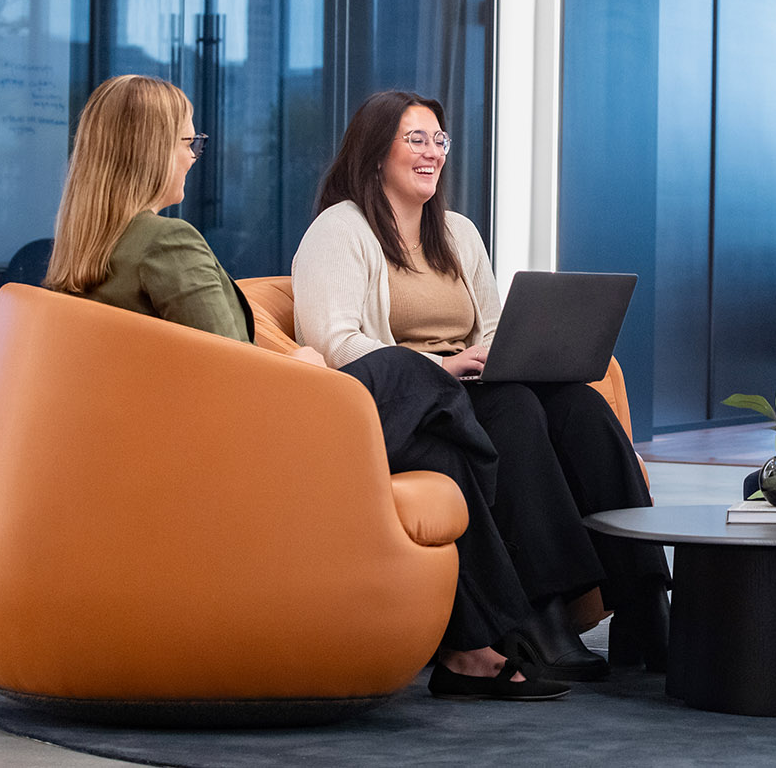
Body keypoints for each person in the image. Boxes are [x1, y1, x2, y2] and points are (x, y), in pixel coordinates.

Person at [44, 74, 566, 701]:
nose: (192, 154)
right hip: (244, 445)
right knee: (409, 372)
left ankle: (470, 651)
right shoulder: (166, 241)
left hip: (165, 449)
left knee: (442, 450)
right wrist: (305, 367)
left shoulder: (85, 256)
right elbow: (231, 368)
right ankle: (507, 623)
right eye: (187, 142)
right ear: (149, 151)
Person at [293, 89, 672, 681]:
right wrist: (442, 368)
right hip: (410, 398)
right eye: (414, 139)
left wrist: (508, 356)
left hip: (475, 382)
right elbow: (338, 344)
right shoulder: (338, 231)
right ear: (375, 153)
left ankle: (646, 600)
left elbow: (492, 329)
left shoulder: (458, 232)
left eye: (438, 139)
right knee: (515, 408)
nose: (432, 152)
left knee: (580, 406)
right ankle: (541, 613)